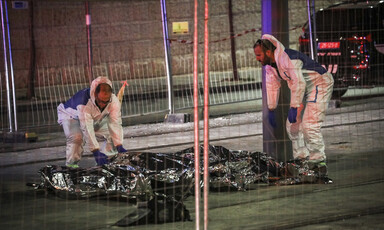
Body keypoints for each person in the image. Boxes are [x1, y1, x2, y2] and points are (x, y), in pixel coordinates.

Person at [253, 34, 334, 176]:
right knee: (292, 125)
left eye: (259, 55)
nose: (257, 58)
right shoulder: (270, 66)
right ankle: (301, 160)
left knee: (309, 124)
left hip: (320, 84)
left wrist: (294, 106)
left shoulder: (288, 59)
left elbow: (299, 83)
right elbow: (272, 86)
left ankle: (318, 163)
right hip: (304, 89)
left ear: (268, 52)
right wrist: (271, 109)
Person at [57, 76, 128, 168]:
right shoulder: (84, 102)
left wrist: (119, 145)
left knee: (111, 136)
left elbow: (115, 123)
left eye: (105, 102)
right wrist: (95, 151)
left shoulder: (113, 101)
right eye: (100, 101)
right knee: (77, 138)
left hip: (94, 117)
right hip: (71, 116)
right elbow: (87, 128)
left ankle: (107, 162)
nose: (102, 105)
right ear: (95, 94)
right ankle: (71, 165)